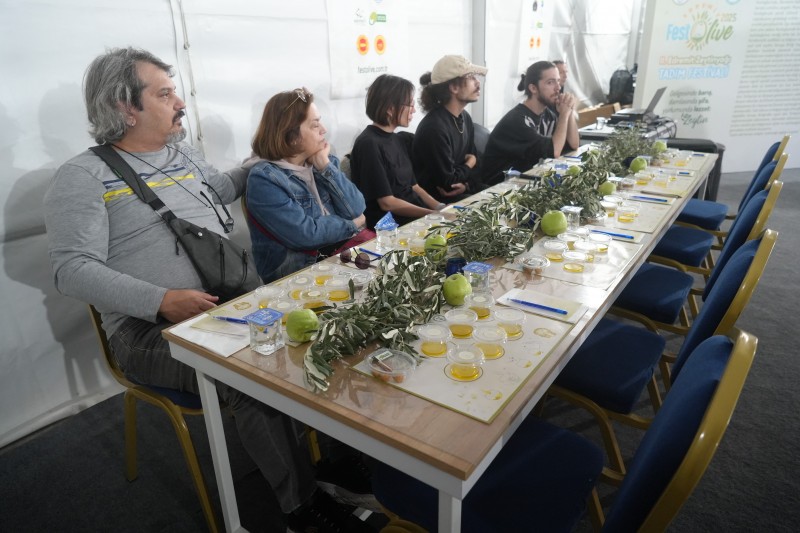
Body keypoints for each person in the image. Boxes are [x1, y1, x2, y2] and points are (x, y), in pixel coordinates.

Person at [44, 47, 374, 532]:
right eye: (165, 94)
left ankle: (335, 463)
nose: (181, 103)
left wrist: (278, 156)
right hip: (148, 329)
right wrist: (159, 300)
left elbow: (223, 187)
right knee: (251, 374)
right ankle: (303, 508)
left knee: (332, 328)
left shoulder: (183, 155)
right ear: (125, 107)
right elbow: (71, 269)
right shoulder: (83, 176)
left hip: (231, 303)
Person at [247, 88, 368, 283]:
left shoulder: (323, 161)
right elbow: (306, 235)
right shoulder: (264, 180)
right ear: (292, 135)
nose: (324, 130)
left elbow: (356, 208)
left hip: (338, 255)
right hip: (298, 275)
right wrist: (351, 224)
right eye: (315, 125)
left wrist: (325, 167)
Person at [350, 74, 446, 228]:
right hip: (392, 226)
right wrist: (432, 214)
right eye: (410, 105)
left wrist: (440, 207)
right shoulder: (369, 144)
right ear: (390, 108)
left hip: (415, 217)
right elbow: (387, 203)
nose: (414, 110)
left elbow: (414, 187)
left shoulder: (397, 139)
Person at [479, 60, 579, 186]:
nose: (558, 87)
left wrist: (569, 110)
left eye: (558, 81)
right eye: (550, 82)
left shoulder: (548, 115)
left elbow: (573, 145)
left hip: (524, 183)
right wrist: (564, 115)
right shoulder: (517, 121)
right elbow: (554, 152)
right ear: (533, 88)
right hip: (498, 189)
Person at [412, 54, 488, 202]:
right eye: (471, 77)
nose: (478, 82)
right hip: (438, 203)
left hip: (463, 192)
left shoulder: (464, 117)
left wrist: (466, 185)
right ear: (453, 87)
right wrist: (470, 162)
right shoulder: (434, 128)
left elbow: (476, 164)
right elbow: (448, 183)